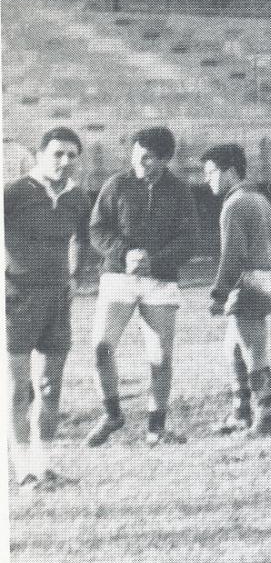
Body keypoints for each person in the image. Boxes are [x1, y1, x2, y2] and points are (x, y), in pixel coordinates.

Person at [84, 125, 198, 447]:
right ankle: (112, 413)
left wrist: (156, 262)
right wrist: (123, 253)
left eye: (147, 158)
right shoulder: (116, 184)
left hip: (160, 283)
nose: (139, 163)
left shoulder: (180, 191)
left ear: (164, 159)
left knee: (160, 356)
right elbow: (97, 229)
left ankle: (156, 427)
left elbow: (190, 239)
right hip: (118, 277)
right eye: (135, 155)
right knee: (101, 348)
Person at [6, 127, 92, 489]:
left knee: (50, 386)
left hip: (57, 301)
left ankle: (44, 466)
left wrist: (74, 276)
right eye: (57, 153)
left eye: (72, 155)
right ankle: (23, 470)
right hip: (17, 299)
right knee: (17, 388)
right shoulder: (13, 193)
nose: (65, 161)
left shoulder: (78, 198)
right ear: (40, 155)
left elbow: (84, 240)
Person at [202, 143, 271, 436]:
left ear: (230, 172)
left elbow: (232, 255)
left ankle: (264, 417)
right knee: (234, 348)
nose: (207, 179)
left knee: (252, 351)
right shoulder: (259, 199)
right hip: (266, 276)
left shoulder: (234, 204)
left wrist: (219, 293)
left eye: (211, 172)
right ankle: (241, 413)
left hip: (248, 280)